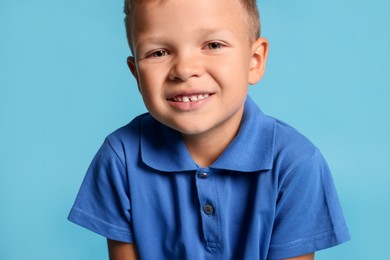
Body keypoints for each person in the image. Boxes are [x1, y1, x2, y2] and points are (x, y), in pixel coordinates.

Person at [68, 0, 350, 259]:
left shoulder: (296, 162)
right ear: (137, 75)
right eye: (158, 52)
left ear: (254, 61)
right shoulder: (120, 158)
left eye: (213, 45)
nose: (185, 69)